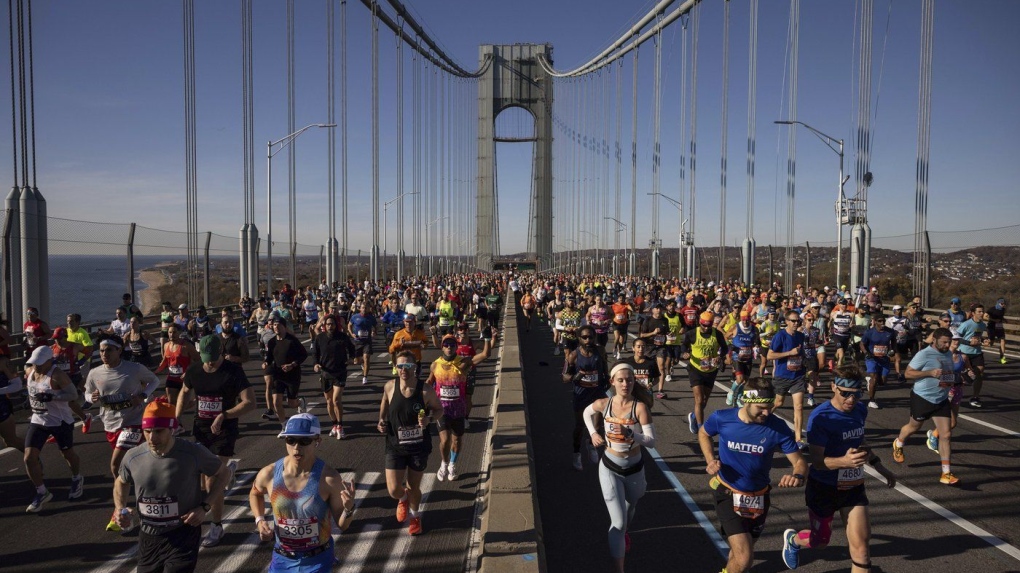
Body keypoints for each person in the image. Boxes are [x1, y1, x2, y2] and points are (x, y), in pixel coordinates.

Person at [780, 365, 897, 572]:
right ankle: (794, 540)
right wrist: (844, 461)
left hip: (853, 487)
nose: (851, 400)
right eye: (845, 394)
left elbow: (860, 441)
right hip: (823, 488)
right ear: (834, 387)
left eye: (856, 394)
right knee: (820, 541)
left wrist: (879, 465)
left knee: (862, 549)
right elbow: (816, 462)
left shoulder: (860, 409)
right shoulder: (821, 417)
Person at [698, 377, 808, 573]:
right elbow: (704, 433)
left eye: (769, 406)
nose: (767, 412)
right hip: (727, 492)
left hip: (759, 497)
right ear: (746, 401)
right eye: (761, 407)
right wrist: (710, 460)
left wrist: (797, 476)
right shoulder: (722, 418)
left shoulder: (778, 428)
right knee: (744, 558)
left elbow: (799, 462)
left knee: (740, 553)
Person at [113, 399, 230, 573]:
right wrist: (119, 508)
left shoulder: (193, 452)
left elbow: (224, 474)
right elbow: (120, 482)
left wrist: (204, 506)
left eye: (159, 431)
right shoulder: (133, 456)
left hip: (183, 533)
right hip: (149, 536)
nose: (152, 438)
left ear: (172, 429)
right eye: (147, 431)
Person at [249, 413, 357, 572]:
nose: (296, 448)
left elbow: (342, 526)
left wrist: (349, 508)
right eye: (290, 440)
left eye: (304, 441)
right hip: (282, 558)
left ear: (317, 441)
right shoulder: (269, 473)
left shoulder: (329, 479)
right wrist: (259, 520)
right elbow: (255, 493)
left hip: (318, 560)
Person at [175, 334, 255, 547]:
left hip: (225, 430)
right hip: (201, 429)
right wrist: (176, 417)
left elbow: (250, 403)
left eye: (213, 357)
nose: (209, 362)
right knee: (201, 481)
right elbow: (184, 392)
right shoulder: (194, 370)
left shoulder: (233, 371)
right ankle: (227, 472)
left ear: (221, 352)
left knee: (212, 480)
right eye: (205, 357)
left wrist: (224, 415)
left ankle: (216, 526)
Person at [583, 363, 655, 573]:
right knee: (618, 522)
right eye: (621, 380)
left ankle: (623, 535)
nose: (626, 384)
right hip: (610, 467)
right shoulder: (603, 404)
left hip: (634, 468)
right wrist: (594, 434)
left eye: (630, 380)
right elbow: (587, 414)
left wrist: (634, 435)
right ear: (613, 381)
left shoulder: (640, 407)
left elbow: (651, 441)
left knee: (631, 506)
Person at [86, 333, 162, 531]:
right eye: (102, 350)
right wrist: (91, 397)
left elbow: (154, 381)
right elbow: (87, 393)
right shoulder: (95, 373)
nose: (104, 354)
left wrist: (143, 396)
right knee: (129, 467)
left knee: (116, 464)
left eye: (109, 350)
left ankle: (121, 511)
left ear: (119, 350)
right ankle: (145, 493)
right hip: (110, 424)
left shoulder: (134, 369)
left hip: (133, 422)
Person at [377, 350, 443, 536]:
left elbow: (439, 410)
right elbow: (384, 403)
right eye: (400, 366)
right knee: (393, 489)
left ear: (415, 368)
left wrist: (429, 418)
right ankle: (403, 498)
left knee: (414, 486)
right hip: (395, 445)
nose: (403, 370)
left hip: (418, 447)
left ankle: (415, 517)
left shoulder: (425, 390)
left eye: (408, 366)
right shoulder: (390, 386)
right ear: (395, 368)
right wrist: (381, 420)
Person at [892, 328, 959, 485]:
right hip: (922, 397)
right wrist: (929, 373)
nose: (947, 345)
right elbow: (908, 374)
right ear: (934, 340)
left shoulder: (948, 353)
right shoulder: (924, 354)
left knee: (946, 435)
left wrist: (955, 380)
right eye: (944, 342)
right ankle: (899, 442)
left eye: (949, 342)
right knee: (914, 427)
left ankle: (946, 473)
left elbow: (945, 374)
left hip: (941, 399)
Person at [22, 346, 84, 512]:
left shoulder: (58, 375)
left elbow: (73, 395)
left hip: (60, 421)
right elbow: (20, 372)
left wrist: (52, 396)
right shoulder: (30, 371)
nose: (37, 366)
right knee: (29, 458)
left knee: (67, 454)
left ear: (50, 360)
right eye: (34, 363)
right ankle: (41, 492)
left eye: (40, 363)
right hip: (38, 420)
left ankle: (77, 478)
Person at [430, 333, 491, 482]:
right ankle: (444, 464)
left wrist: (488, 339)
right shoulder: (435, 364)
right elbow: (429, 382)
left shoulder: (463, 363)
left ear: (456, 347)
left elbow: (485, 354)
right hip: (441, 409)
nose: (449, 347)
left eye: (452, 345)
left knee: (456, 441)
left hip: (458, 409)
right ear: (442, 347)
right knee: (445, 440)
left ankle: (452, 464)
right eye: (446, 345)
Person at [562, 324, 610, 471]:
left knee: (597, 426)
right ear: (579, 339)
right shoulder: (573, 355)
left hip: (597, 394)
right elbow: (564, 377)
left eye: (590, 337)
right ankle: (576, 453)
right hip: (581, 395)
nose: (588, 340)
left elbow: (605, 369)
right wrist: (574, 377)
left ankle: (591, 445)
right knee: (580, 426)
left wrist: (607, 380)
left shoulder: (600, 351)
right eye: (584, 337)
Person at [680, 311, 728, 435]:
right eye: (704, 325)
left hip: (711, 370)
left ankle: (694, 417)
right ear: (699, 322)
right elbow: (683, 345)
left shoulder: (716, 334)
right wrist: (685, 353)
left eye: (709, 325)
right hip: (695, 369)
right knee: (699, 399)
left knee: (705, 400)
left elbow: (725, 348)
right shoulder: (692, 334)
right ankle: (701, 428)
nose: (706, 328)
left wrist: (719, 356)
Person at [768, 311, 809, 448]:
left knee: (798, 406)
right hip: (782, 376)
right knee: (778, 403)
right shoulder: (780, 336)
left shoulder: (801, 336)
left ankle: (798, 438)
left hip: (798, 376)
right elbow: (770, 355)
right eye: (793, 321)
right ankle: (761, 420)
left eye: (798, 321)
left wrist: (808, 367)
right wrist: (789, 353)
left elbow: (801, 354)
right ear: (786, 321)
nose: (796, 323)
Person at [313, 314, 356, 439]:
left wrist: (351, 358)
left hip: (340, 372)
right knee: (329, 401)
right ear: (324, 326)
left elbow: (352, 348)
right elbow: (315, 353)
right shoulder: (320, 338)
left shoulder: (342, 337)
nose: (330, 326)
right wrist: (316, 364)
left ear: (336, 325)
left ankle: (340, 426)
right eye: (327, 324)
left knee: (336, 400)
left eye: (332, 324)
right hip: (326, 373)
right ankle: (334, 424)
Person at [264, 316, 309, 424]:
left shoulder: (292, 340)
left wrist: (292, 365)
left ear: (284, 327)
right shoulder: (271, 342)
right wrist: (266, 363)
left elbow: (304, 354)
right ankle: (284, 426)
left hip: (292, 375)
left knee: (291, 404)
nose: (276, 327)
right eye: (274, 325)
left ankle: (300, 402)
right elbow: (269, 357)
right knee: (276, 402)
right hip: (278, 375)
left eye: (279, 325)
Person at [156, 325, 200, 406]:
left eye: (174, 332)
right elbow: (165, 361)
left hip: (184, 379)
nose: (172, 334)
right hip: (172, 378)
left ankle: (194, 402)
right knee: (171, 403)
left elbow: (198, 360)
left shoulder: (186, 346)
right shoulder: (166, 345)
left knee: (184, 404)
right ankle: (175, 418)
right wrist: (155, 373)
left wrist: (188, 372)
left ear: (179, 333)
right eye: (170, 332)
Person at [859, 314, 894, 409]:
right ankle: (871, 400)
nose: (882, 323)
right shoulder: (869, 332)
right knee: (874, 378)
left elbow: (893, 343)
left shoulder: (890, 332)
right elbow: (862, 343)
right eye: (880, 321)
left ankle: (869, 379)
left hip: (884, 359)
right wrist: (866, 352)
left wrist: (892, 351)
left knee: (882, 382)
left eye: (883, 321)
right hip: (872, 358)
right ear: (875, 322)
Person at [725, 311, 760, 407]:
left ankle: (739, 398)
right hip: (737, 357)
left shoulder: (754, 329)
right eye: (743, 320)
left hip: (748, 358)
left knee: (745, 381)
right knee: (739, 379)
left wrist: (756, 346)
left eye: (747, 320)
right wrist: (730, 348)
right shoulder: (735, 327)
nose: (745, 322)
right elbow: (725, 337)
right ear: (741, 319)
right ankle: (731, 393)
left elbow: (757, 341)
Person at [956, 304, 988, 408]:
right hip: (964, 352)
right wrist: (968, 342)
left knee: (980, 372)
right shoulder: (966, 324)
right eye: (979, 311)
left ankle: (975, 397)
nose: (982, 313)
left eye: (982, 311)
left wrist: (985, 340)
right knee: (960, 376)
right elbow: (956, 337)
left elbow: (979, 337)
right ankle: (955, 393)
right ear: (973, 313)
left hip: (977, 352)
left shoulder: (983, 325)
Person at [637, 304, 670, 399]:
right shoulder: (648, 320)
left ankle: (660, 391)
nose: (659, 310)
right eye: (657, 308)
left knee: (662, 367)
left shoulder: (665, 320)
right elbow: (642, 335)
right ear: (653, 310)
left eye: (660, 308)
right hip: (649, 347)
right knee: (647, 367)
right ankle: (647, 386)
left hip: (661, 347)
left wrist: (669, 334)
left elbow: (666, 331)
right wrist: (653, 333)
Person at [388, 315, 434, 380]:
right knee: (404, 380)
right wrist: (399, 344)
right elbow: (391, 350)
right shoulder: (398, 334)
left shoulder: (419, 333)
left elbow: (426, 341)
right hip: (403, 362)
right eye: (406, 322)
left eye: (410, 322)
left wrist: (424, 345)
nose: (408, 324)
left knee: (415, 380)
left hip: (416, 361)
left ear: (414, 323)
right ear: (404, 323)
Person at [621, 337, 660, 402]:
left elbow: (657, 378)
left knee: (646, 409)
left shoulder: (651, 362)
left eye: (643, 346)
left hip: (645, 392)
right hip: (630, 391)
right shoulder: (627, 362)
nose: (641, 349)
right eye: (638, 347)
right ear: (633, 348)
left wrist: (651, 384)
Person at [0, 355, 26, 452]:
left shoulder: (3, 361)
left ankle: (32, 457)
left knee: (11, 441)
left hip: (1, 407)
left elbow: (17, 385)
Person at [348, 303, 378, 385]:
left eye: (366, 308)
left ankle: (365, 377)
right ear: (360, 308)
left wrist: (374, 332)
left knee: (366, 358)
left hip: (367, 342)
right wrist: (351, 334)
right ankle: (362, 363)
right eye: (363, 308)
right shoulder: (355, 317)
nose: (364, 309)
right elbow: (349, 325)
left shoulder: (371, 318)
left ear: (368, 309)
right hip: (357, 341)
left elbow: (375, 327)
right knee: (356, 361)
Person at [986, 298, 1008, 364]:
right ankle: (979, 346)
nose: (1003, 305)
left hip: (999, 328)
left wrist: (1004, 319)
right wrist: (994, 320)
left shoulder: (1003, 310)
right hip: (991, 327)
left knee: (1003, 340)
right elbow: (985, 316)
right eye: (1002, 304)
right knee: (991, 343)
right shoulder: (992, 309)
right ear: (998, 303)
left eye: (1004, 304)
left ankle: (1002, 357)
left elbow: (1001, 316)